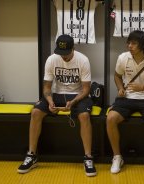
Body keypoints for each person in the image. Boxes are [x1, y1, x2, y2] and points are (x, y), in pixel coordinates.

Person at [17, 34, 97, 177]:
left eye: (66, 53)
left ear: (73, 48)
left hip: (78, 95)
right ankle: (32, 155)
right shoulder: (52, 59)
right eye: (61, 54)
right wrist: (49, 100)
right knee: (35, 112)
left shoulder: (83, 60)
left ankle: (88, 157)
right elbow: (47, 87)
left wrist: (73, 102)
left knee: (84, 116)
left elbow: (86, 89)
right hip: (57, 94)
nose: (63, 57)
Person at [106, 30, 144, 176]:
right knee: (110, 118)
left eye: (133, 43)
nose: (129, 46)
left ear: (143, 45)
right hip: (127, 98)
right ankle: (117, 157)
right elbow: (117, 76)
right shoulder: (123, 57)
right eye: (128, 42)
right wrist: (120, 88)